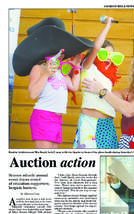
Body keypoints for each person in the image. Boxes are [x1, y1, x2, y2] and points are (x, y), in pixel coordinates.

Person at [12, 17, 94, 149]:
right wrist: (46, 74)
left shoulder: (60, 70)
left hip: (57, 119)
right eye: (60, 52)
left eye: (63, 52)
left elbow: (74, 86)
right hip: (43, 116)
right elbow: (33, 94)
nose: (63, 55)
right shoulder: (38, 68)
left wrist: (77, 66)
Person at [73, 16, 124, 149]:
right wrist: (108, 25)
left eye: (111, 55)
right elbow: (95, 47)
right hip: (90, 122)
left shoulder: (108, 78)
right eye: (104, 53)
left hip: (107, 123)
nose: (108, 57)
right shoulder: (88, 67)